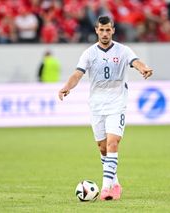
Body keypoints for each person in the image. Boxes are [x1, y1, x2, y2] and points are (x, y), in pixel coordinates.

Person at [58, 15, 153, 201]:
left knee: (113, 143)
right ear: (96, 31)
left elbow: (135, 62)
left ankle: (105, 189)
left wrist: (143, 68)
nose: (104, 33)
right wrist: (67, 87)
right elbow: (77, 74)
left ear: (113, 30)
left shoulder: (123, 50)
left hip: (117, 103)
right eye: (101, 30)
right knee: (103, 148)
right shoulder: (89, 53)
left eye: (108, 30)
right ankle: (115, 183)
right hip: (96, 105)